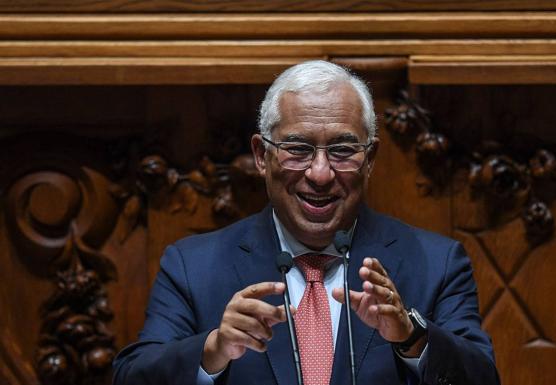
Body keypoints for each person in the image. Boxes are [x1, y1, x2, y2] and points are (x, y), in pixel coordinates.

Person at [113, 60, 500, 385]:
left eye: (343, 150)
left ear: (370, 159)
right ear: (262, 155)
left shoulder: (438, 263)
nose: (320, 173)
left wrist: (413, 338)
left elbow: (484, 377)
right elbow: (131, 376)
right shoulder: (191, 266)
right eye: (297, 149)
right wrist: (212, 351)